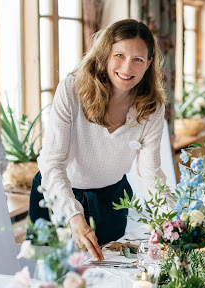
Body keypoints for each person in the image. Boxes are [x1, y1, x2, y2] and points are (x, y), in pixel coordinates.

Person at [28, 19, 168, 261]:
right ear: (105, 54)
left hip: (110, 200)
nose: (127, 67)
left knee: (107, 272)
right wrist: (74, 215)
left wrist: (170, 220)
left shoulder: (152, 107)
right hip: (57, 192)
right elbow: (52, 162)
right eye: (120, 55)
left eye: (138, 59)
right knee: (54, 275)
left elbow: (150, 172)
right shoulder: (72, 90)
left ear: (149, 63)